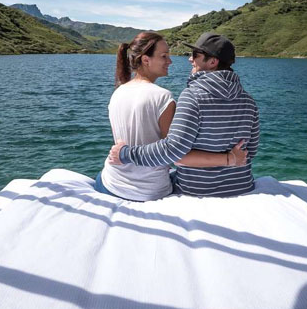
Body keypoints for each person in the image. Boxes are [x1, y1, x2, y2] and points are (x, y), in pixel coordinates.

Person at [96, 31, 246, 201]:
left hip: (109, 182)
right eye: (164, 56)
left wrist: (124, 154)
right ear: (146, 60)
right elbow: (177, 154)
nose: (170, 61)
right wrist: (229, 158)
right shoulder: (163, 97)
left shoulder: (118, 92)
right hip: (149, 190)